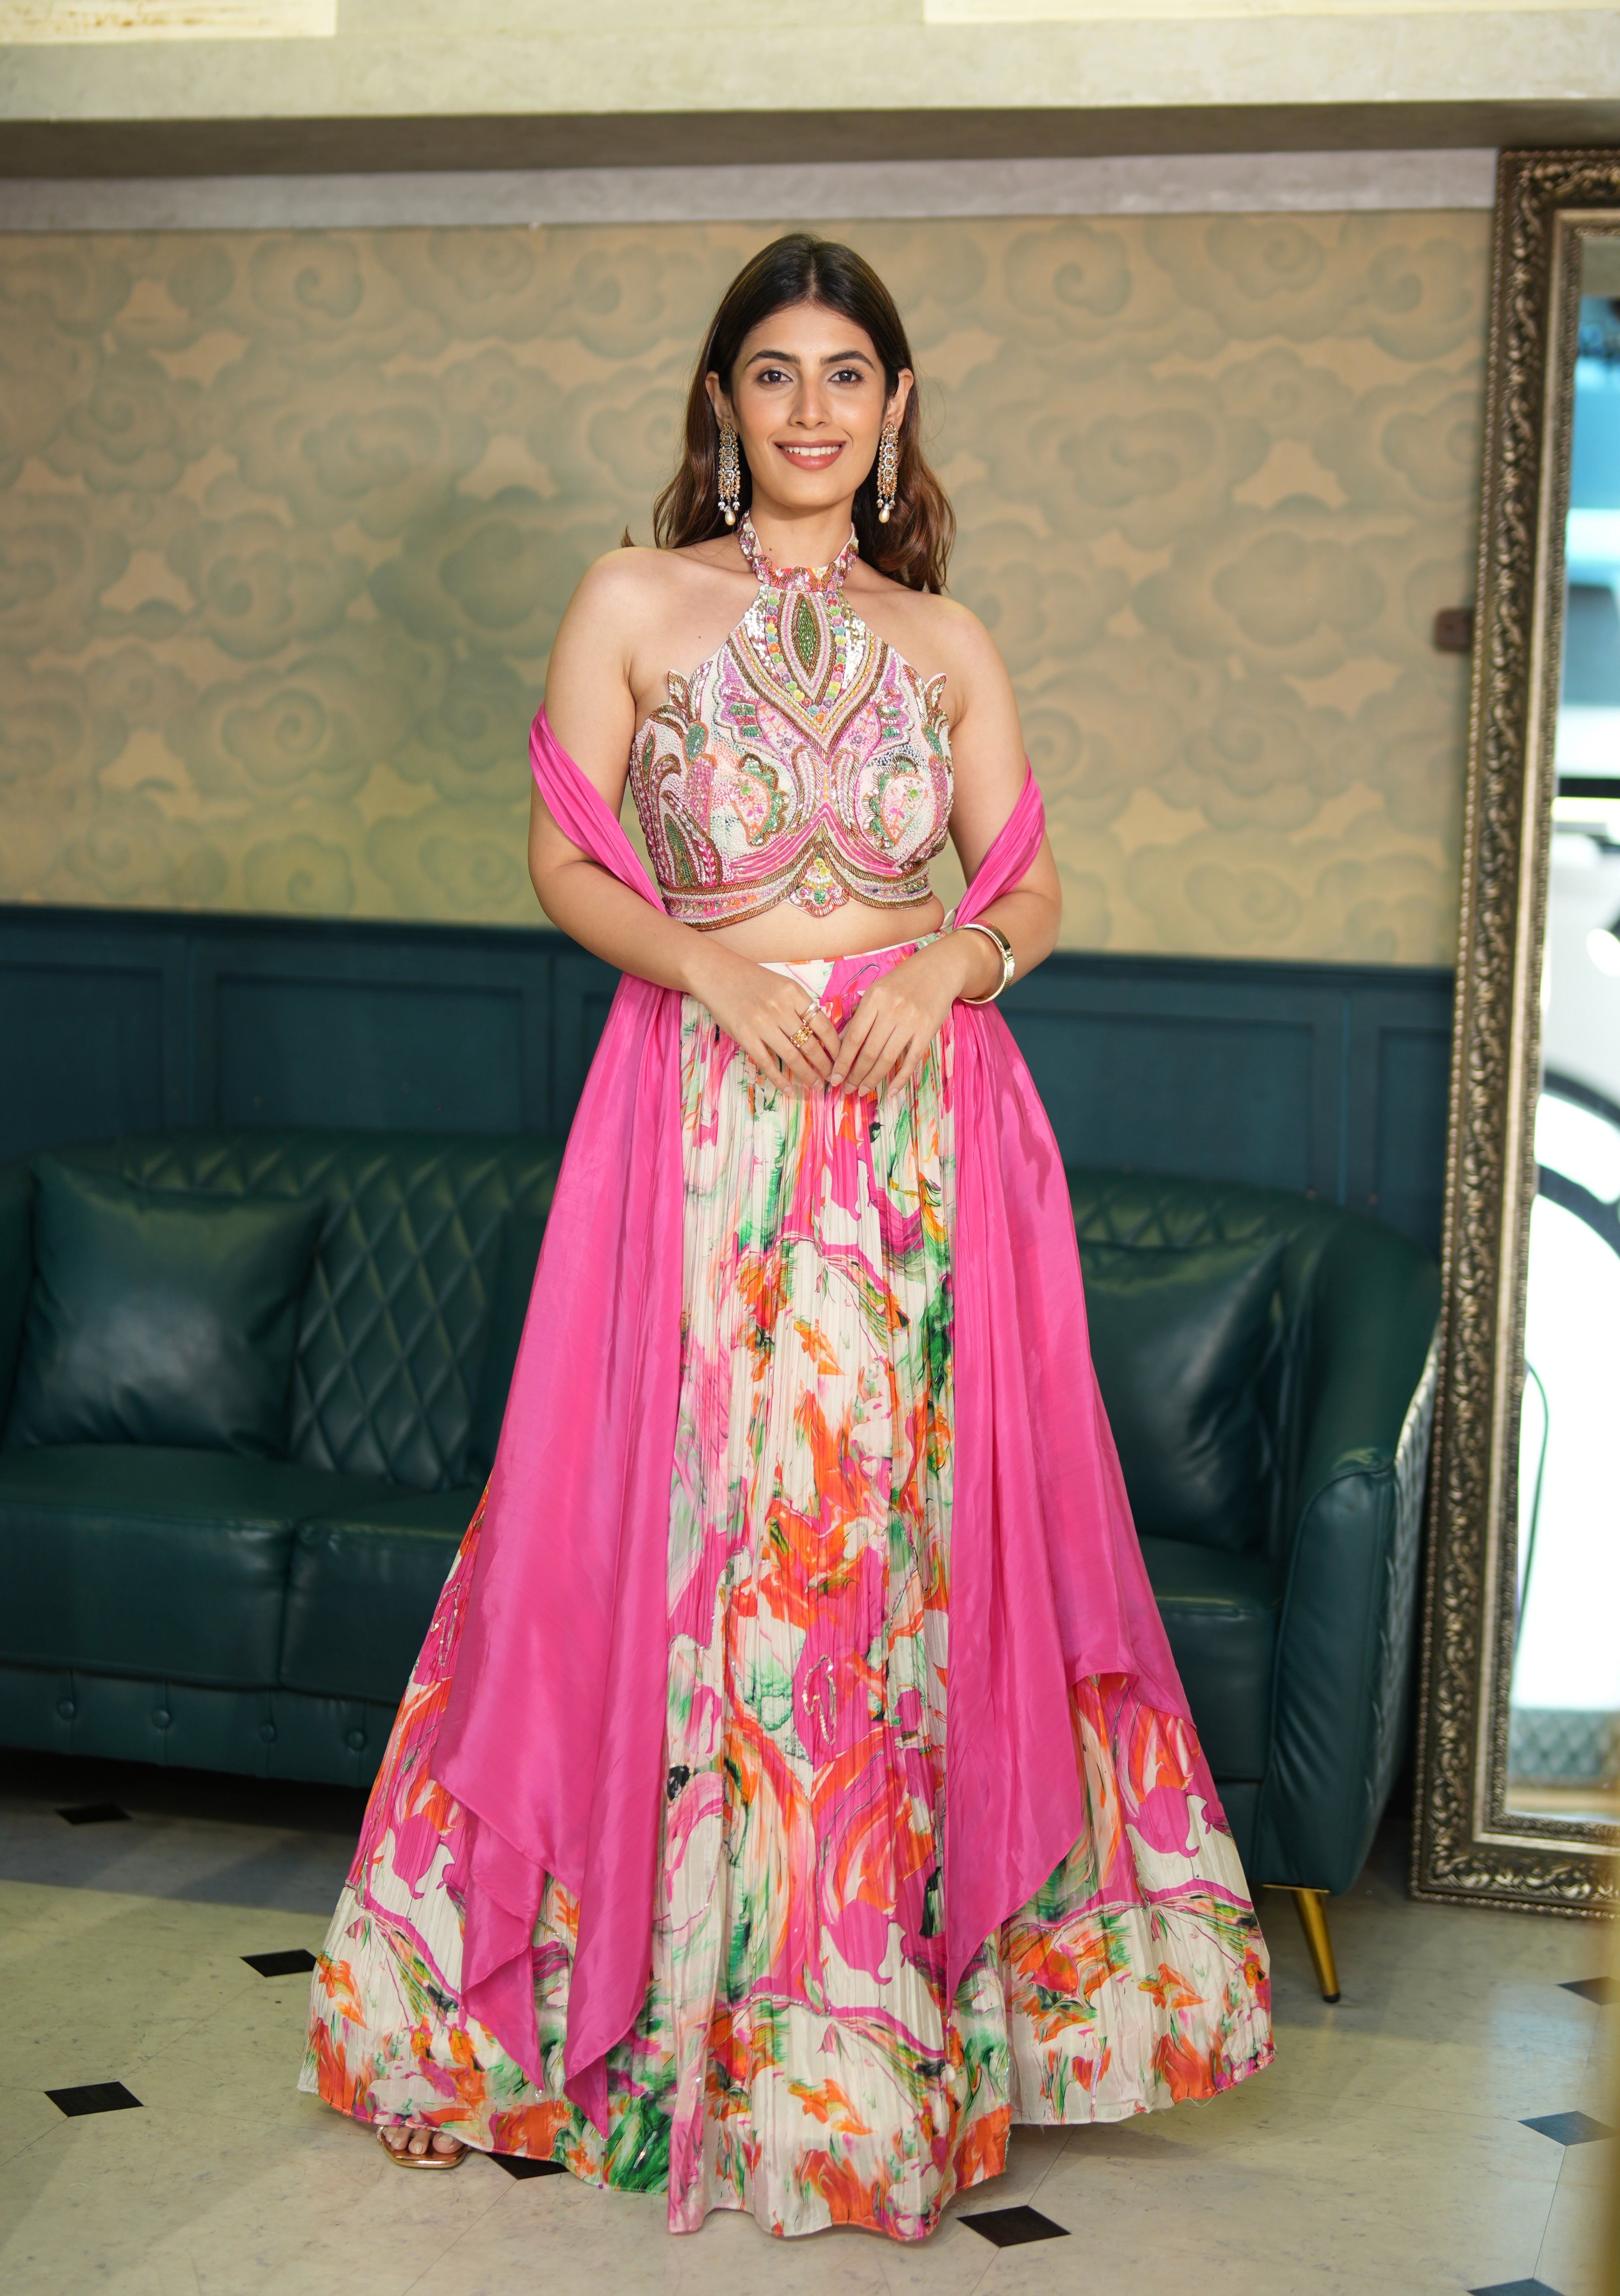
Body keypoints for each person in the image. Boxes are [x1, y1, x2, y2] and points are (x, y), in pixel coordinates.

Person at [300, 232, 1273, 2241]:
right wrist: (704, 970)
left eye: (849, 374)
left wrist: (964, 967)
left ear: (895, 407)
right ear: (721, 404)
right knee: (689, 1533)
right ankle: (661, 2022)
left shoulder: (948, 639)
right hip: (708, 1113)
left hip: (921, 1139)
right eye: (775, 373)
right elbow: (561, 850)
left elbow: (1032, 878)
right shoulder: (634, 600)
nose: (813, 408)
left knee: (896, 1552)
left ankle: (872, 2030)